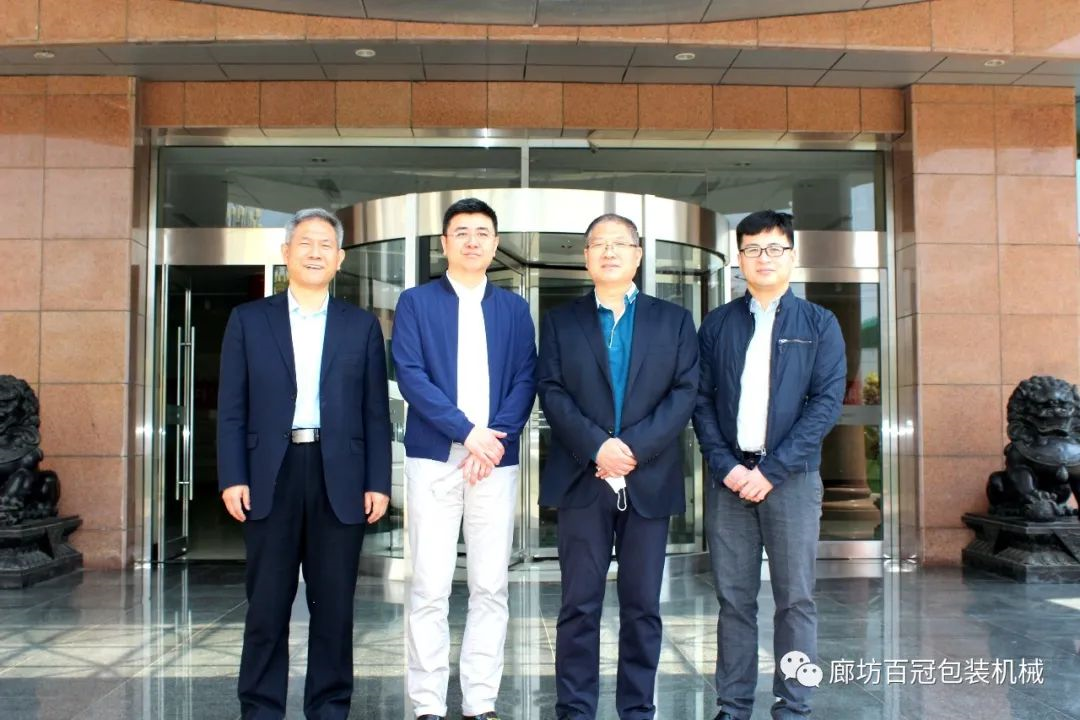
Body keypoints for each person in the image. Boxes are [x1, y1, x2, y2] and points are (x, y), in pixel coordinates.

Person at [217, 207, 392, 719]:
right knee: (267, 604)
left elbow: (375, 413)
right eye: (305, 243)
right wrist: (233, 476)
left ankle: (329, 707)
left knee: (334, 607)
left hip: (340, 476)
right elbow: (232, 407)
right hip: (270, 474)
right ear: (286, 253)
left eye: (325, 245)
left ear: (340, 259)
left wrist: (378, 481)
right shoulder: (249, 320)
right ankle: (260, 708)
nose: (315, 253)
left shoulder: (360, 326)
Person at [537, 213, 699, 720]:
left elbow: (684, 392)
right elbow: (552, 390)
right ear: (586, 257)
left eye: (620, 243)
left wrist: (630, 449)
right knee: (579, 605)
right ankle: (575, 710)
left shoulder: (673, 320)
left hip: (648, 479)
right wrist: (597, 447)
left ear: (638, 254)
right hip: (582, 479)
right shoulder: (561, 321)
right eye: (599, 244)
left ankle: (637, 709)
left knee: (642, 606)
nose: (609, 252)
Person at [693, 210, 846, 720]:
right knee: (733, 600)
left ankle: (794, 705)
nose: (764, 258)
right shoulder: (718, 324)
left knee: (795, 600)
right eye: (753, 249)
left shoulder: (819, 324)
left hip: (792, 481)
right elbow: (701, 401)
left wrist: (772, 471)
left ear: (791, 256)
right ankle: (733, 706)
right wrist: (727, 467)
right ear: (739, 259)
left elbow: (825, 404)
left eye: (774, 248)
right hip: (730, 481)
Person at [391, 197, 536, 720]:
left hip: (495, 461)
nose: (472, 240)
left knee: (490, 586)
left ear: (495, 244)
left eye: (482, 232)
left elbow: (526, 378)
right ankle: (427, 704)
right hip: (435, 458)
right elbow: (411, 376)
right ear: (444, 243)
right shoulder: (416, 303)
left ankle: (480, 702)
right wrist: (467, 433)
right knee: (429, 585)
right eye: (462, 232)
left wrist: (490, 442)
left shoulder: (514, 309)